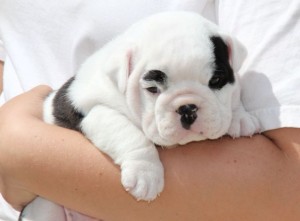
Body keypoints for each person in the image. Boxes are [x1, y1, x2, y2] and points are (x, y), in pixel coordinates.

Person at [0, 0, 300, 220]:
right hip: (45, 201)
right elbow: (95, 115)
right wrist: (137, 155)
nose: (186, 109)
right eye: (155, 90)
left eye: (214, 82)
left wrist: (20, 151)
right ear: (126, 73)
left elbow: (288, 184)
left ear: (233, 58)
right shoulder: (106, 81)